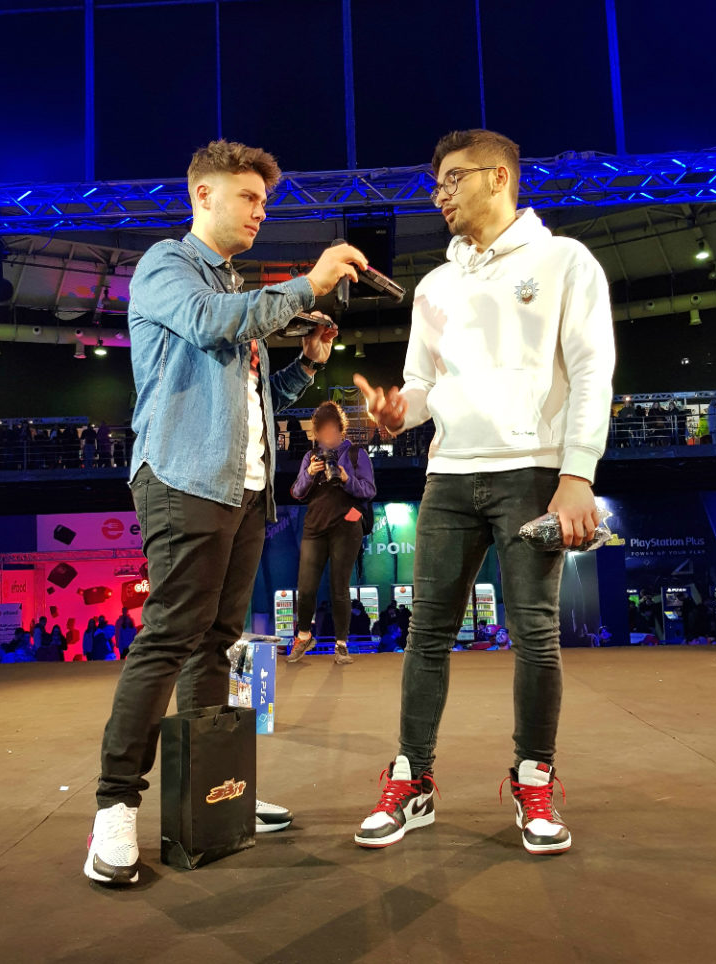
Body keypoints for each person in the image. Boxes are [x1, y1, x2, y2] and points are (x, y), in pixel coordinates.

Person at [84, 139, 369, 885]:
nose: (260, 211)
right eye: (248, 197)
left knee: (215, 641)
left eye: (264, 200)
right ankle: (115, 805)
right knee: (170, 636)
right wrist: (308, 284)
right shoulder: (166, 267)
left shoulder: (233, 287)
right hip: (182, 477)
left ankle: (212, 789)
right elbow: (213, 323)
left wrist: (306, 364)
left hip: (244, 489)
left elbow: (254, 395)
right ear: (203, 196)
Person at [352, 128, 615, 854]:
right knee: (425, 634)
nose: (441, 195)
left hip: (533, 472)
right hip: (448, 475)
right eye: (436, 183)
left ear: (499, 177)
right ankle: (413, 780)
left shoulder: (564, 260)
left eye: (454, 179)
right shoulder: (435, 285)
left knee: (535, 635)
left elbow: (591, 371)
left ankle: (534, 779)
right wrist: (398, 413)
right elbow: (421, 384)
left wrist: (577, 475)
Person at [287, 401, 376, 666]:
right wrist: (309, 474)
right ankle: (304, 636)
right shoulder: (311, 457)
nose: (326, 435)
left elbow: (369, 490)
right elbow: (297, 492)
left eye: (330, 429)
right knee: (305, 588)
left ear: (341, 429)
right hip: (314, 527)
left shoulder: (356, 454)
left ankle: (341, 645)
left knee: (339, 587)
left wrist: (347, 479)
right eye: (321, 431)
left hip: (346, 527)